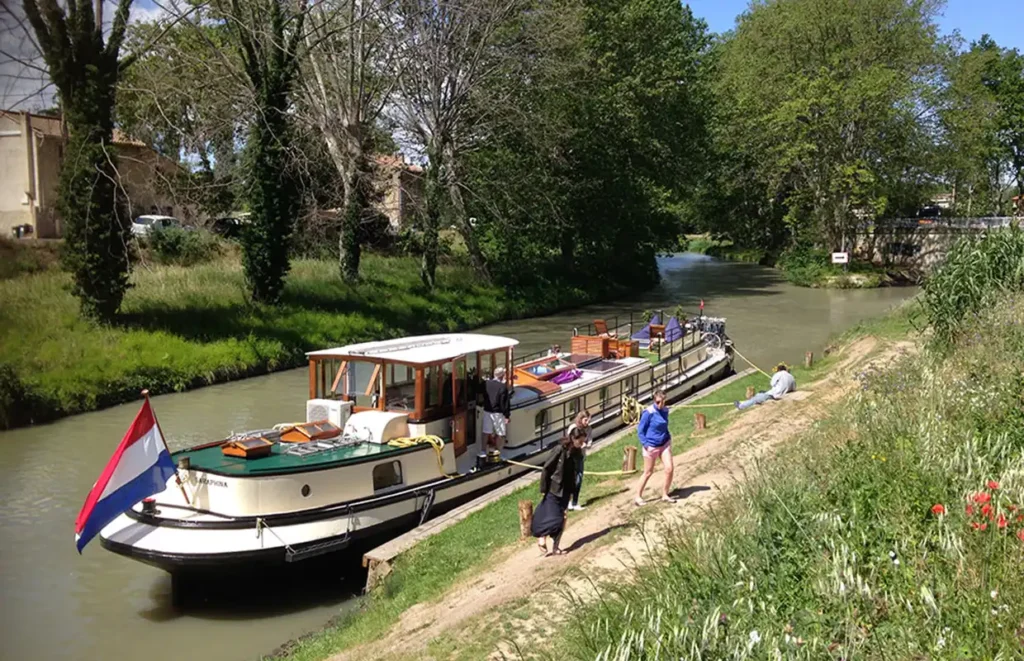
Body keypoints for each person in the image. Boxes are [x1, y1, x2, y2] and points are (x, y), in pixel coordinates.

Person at [532, 427, 587, 556]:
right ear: (574, 439)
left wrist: (573, 490)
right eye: (580, 441)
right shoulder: (559, 449)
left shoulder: (576, 452)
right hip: (554, 488)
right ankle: (542, 537)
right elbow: (547, 468)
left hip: (566, 489)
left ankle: (556, 547)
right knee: (550, 516)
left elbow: (575, 470)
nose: (582, 444)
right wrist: (543, 488)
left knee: (563, 517)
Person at [634, 390, 675, 506]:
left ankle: (665, 494)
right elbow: (640, 431)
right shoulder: (648, 413)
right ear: (654, 401)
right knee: (648, 472)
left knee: (669, 468)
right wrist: (646, 445)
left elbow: (665, 424)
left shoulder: (665, 411)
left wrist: (667, 436)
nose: (660, 405)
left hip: (664, 443)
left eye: (662, 402)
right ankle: (638, 496)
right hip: (651, 447)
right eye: (657, 402)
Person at [566, 410, 593, 511]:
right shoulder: (573, 428)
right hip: (571, 456)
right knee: (571, 479)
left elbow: (590, 441)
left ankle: (575, 502)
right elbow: (568, 441)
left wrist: (587, 445)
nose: (587, 422)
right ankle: (568, 502)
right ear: (581, 419)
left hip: (580, 456)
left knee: (579, 479)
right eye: (586, 420)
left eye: (588, 420)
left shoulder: (589, 429)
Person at [482, 366, 511, 453]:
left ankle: (483, 450)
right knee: (500, 433)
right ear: (502, 376)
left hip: (487, 410)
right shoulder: (502, 387)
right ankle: (497, 451)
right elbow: (504, 403)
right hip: (498, 413)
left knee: (486, 431)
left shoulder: (486, 383)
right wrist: (507, 415)